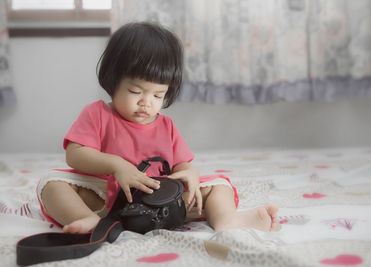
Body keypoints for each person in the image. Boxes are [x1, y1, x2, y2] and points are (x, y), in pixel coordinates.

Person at [38, 22, 278, 234]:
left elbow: (181, 164)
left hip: (161, 203)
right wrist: (117, 165)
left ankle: (226, 221)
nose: (146, 102)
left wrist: (190, 173)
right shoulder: (98, 113)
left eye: (158, 94)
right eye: (135, 91)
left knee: (219, 186)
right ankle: (87, 220)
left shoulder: (166, 125)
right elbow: (75, 154)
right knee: (50, 183)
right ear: (113, 80)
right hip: (108, 199)